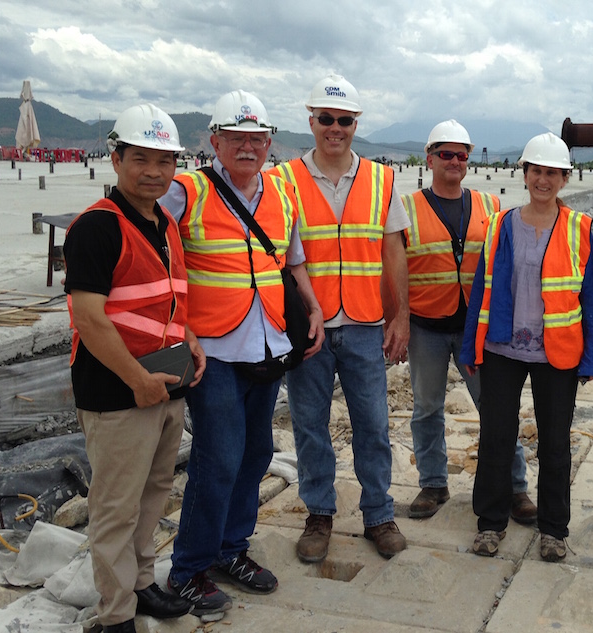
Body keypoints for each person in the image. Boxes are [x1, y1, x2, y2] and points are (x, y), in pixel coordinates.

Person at [162, 90, 324, 614]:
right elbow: (148, 246)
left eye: (258, 138)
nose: (249, 147)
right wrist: (172, 326)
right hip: (211, 349)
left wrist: (314, 307)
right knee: (219, 456)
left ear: (270, 142)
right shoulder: (187, 190)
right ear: (215, 141)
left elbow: (291, 260)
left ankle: (231, 550)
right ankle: (187, 568)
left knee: (255, 453)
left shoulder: (280, 194)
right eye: (237, 138)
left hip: (268, 342)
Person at [64, 104, 206, 633]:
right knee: (116, 506)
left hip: (165, 381)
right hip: (118, 389)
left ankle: (143, 584)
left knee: (153, 493)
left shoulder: (164, 221)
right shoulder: (97, 228)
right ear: (116, 158)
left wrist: (188, 338)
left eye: (164, 161)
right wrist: (137, 380)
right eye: (140, 158)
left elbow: (167, 299)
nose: (153, 171)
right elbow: (90, 318)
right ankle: (116, 612)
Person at [266, 73, 410, 562]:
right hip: (310, 329)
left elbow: (393, 253)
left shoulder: (381, 179)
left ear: (355, 123)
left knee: (373, 424)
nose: (335, 127)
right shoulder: (281, 180)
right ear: (311, 120)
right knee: (310, 425)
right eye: (325, 118)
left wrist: (400, 318)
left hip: (367, 324)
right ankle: (319, 514)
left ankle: (378, 514)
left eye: (344, 120)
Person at [460, 133, 593, 562]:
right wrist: (471, 347)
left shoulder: (578, 229)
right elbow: (482, 289)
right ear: (524, 174)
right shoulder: (502, 225)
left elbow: (591, 299)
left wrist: (592, 355)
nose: (543, 180)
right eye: (536, 171)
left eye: (552, 173)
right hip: (503, 350)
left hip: (556, 353)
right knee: (496, 438)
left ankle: (554, 530)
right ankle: (490, 523)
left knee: (556, 444)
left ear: (564, 178)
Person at [401, 120, 537, 523]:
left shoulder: (489, 206)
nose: (456, 161)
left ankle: (515, 488)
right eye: (447, 154)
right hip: (425, 327)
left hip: (475, 330)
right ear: (429, 158)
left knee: (496, 408)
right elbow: (391, 270)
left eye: (463, 155)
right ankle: (433, 483)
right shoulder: (406, 208)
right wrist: (395, 322)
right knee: (427, 408)